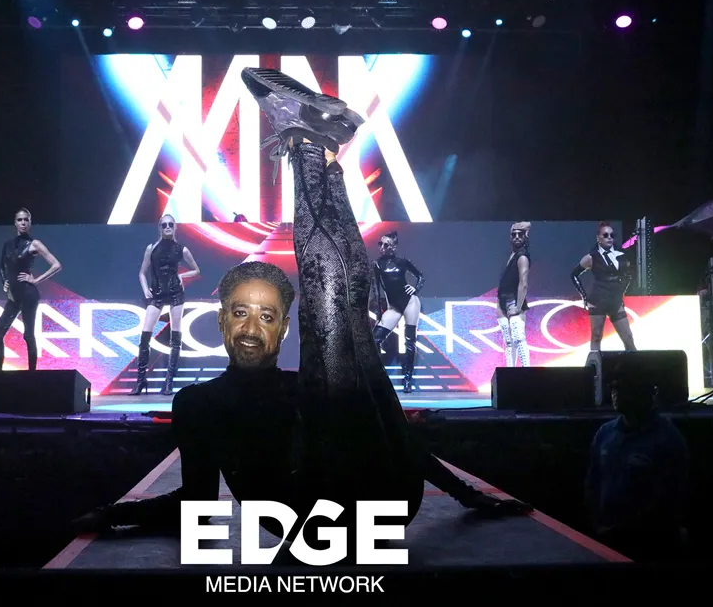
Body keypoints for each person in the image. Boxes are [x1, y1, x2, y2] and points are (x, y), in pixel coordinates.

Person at [73, 68, 530, 554]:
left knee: (343, 318)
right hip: (318, 521)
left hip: (385, 493)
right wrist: (115, 515)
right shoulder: (198, 404)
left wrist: (469, 496)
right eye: (241, 313)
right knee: (342, 318)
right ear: (220, 319)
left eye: (267, 316)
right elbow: (196, 503)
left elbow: (402, 440)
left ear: (285, 328)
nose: (252, 327)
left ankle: (312, 148)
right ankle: (315, 150)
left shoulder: (303, 387)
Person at [584, 355, 688, 561]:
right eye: (614, 387)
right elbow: (592, 484)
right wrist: (596, 525)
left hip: (650, 544)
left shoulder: (666, 439)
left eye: (624, 387)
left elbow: (670, 498)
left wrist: (622, 531)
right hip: (606, 537)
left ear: (644, 391)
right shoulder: (605, 434)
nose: (616, 393)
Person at [130, 214, 200, 396]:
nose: (167, 227)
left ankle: (169, 382)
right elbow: (142, 272)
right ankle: (141, 381)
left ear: (175, 227)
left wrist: (182, 275)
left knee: (175, 338)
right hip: (157, 295)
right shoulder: (151, 248)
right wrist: (145, 289)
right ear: (160, 228)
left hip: (176, 294)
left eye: (170, 224)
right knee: (145, 336)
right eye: (164, 225)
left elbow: (196, 270)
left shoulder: (181, 249)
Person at [0, 208, 62, 371]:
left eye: (26, 220)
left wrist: (35, 280)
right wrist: (4, 282)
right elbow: (1, 267)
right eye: (20, 220)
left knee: (28, 335)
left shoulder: (34, 244)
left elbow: (56, 265)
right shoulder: (7, 244)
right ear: (15, 223)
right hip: (13, 296)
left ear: (30, 223)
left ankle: (32, 375)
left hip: (28, 294)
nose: (23, 223)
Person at [371, 231, 425, 393]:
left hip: (410, 302)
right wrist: (379, 314)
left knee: (409, 340)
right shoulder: (377, 264)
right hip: (393, 307)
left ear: (393, 247)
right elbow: (377, 289)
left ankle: (407, 379)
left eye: (385, 244)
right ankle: (376, 377)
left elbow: (421, 276)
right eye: (380, 244)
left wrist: (415, 288)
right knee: (375, 339)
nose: (381, 247)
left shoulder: (402, 262)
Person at [571, 222, 636, 353]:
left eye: (612, 235)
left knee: (628, 337)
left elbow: (630, 274)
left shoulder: (620, 255)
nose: (609, 238)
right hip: (598, 300)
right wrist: (584, 296)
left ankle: (635, 363)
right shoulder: (592, 257)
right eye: (605, 235)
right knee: (596, 336)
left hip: (615, 300)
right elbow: (574, 275)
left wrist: (622, 291)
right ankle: (595, 365)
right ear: (598, 238)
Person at [497, 222, 532, 367]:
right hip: (502, 300)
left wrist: (518, 307)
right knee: (509, 342)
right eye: (514, 234)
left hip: (514, 300)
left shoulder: (522, 257)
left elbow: (523, 283)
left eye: (520, 234)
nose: (517, 237)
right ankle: (509, 372)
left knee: (518, 338)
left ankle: (527, 373)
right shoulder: (512, 255)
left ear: (525, 237)